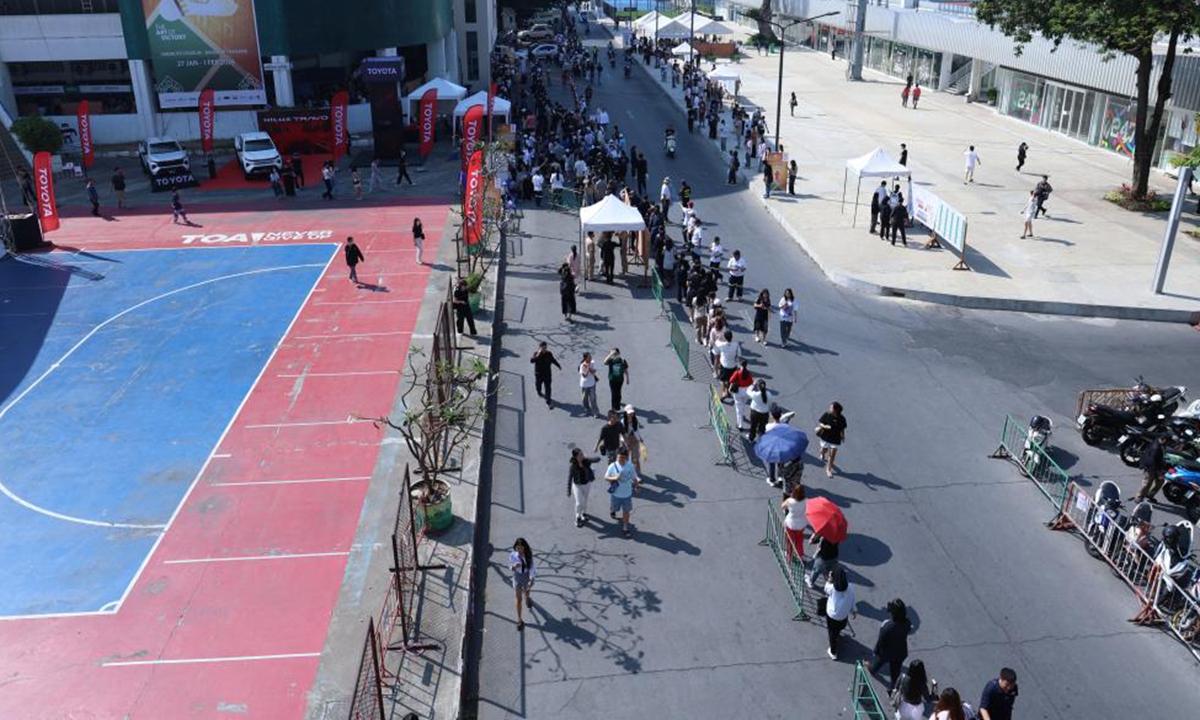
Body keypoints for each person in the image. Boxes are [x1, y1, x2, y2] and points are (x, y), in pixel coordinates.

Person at [870, 599, 911, 692]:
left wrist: (875, 651)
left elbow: (880, 641)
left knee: (876, 665)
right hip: (900, 652)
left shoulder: (887, 626)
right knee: (895, 673)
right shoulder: (907, 623)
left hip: (886, 652)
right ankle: (893, 689)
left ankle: (872, 670)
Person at [606, 446, 641, 538]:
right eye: (618, 457)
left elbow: (634, 477)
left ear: (626, 457)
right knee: (615, 508)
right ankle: (612, 510)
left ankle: (625, 528)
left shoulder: (630, 466)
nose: (619, 459)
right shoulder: (612, 466)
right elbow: (606, 477)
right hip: (616, 494)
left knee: (626, 511)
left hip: (627, 494)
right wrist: (615, 478)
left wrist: (637, 487)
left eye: (622, 458)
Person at [823, 567, 856, 660]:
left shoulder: (832, 588)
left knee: (832, 633)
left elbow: (826, 589)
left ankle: (833, 652)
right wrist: (854, 610)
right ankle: (838, 632)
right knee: (839, 626)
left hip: (832, 615)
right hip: (843, 615)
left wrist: (829, 580)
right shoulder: (850, 587)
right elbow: (853, 599)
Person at [568, 448, 600, 527]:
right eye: (580, 455)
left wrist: (587, 458)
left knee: (585, 500)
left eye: (582, 454)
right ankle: (578, 517)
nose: (582, 456)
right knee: (579, 503)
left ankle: (584, 513)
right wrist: (568, 490)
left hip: (587, 484)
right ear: (575, 457)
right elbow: (569, 478)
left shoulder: (586, 461)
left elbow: (597, 459)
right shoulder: (573, 466)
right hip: (577, 486)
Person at [509, 538, 536, 630]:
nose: (519, 550)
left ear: (524, 548)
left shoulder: (528, 556)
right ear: (515, 548)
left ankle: (528, 598)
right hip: (517, 578)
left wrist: (531, 579)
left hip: (526, 577)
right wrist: (513, 566)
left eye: (521, 548)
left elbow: (532, 568)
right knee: (518, 598)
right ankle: (519, 620)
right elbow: (510, 567)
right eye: (518, 548)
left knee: (527, 592)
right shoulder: (513, 555)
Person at [816, 402, 847, 477]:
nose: (829, 409)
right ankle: (822, 453)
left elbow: (842, 429)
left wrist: (843, 436)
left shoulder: (842, 419)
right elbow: (820, 423)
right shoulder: (826, 415)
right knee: (824, 450)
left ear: (836, 410)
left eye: (831, 408)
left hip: (835, 439)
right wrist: (824, 426)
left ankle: (828, 470)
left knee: (832, 455)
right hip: (826, 437)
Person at [1134, 436, 1166, 503]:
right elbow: (1152, 461)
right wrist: (1158, 472)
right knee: (1147, 483)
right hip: (1150, 467)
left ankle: (1150, 495)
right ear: (1163, 440)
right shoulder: (1156, 448)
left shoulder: (1159, 443)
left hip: (1157, 467)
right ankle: (1138, 497)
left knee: (1160, 482)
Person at [530, 341, 562, 409]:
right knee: (538, 385)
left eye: (545, 347)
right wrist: (538, 354)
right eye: (543, 348)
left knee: (548, 388)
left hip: (547, 375)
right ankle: (539, 391)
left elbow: (553, 360)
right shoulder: (536, 354)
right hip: (539, 375)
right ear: (539, 348)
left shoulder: (549, 354)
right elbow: (532, 361)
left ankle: (548, 401)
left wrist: (558, 365)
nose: (544, 349)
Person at [781, 484, 806, 563]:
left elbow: (782, 506)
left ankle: (789, 556)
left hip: (790, 524)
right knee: (799, 542)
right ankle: (800, 556)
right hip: (801, 525)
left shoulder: (790, 501)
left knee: (790, 541)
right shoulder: (806, 501)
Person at [713, 330, 741, 399]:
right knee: (731, 380)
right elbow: (739, 355)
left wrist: (718, 339)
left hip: (724, 366)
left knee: (723, 380)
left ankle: (723, 393)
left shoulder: (721, 345)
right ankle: (728, 391)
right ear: (732, 337)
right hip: (733, 365)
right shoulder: (736, 345)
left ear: (725, 338)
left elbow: (715, 351)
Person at [729, 360, 754, 431]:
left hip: (738, 391)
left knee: (738, 408)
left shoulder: (737, 373)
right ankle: (742, 414)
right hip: (746, 392)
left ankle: (740, 425)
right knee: (743, 404)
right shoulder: (748, 373)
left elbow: (731, 380)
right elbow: (751, 382)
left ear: (740, 365)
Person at [622, 405, 644, 473]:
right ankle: (626, 473)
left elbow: (637, 430)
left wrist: (640, 438)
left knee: (635, 459)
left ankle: (636, 474)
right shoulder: (622, 422)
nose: (631, 414)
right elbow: (622, 434)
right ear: (625, 413)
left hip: (635, 440)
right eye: (629, 413)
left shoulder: (636, 419)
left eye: (632, 413)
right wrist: (625, 443)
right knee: (625, 458)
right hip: (626, 441)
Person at [579, 352, 600, 417]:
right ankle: (587, 410)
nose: (590, 357)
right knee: (584, 399)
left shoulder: (593, 362)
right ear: (586, 358)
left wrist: (589, 367)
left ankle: (596, 412)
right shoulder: (582, 365)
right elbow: (584, 376)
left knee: (593, 399)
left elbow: (594, 372)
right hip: (584, 385)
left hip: (592, 384)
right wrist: (587, 368)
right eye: (589, 357)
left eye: (590, 356)